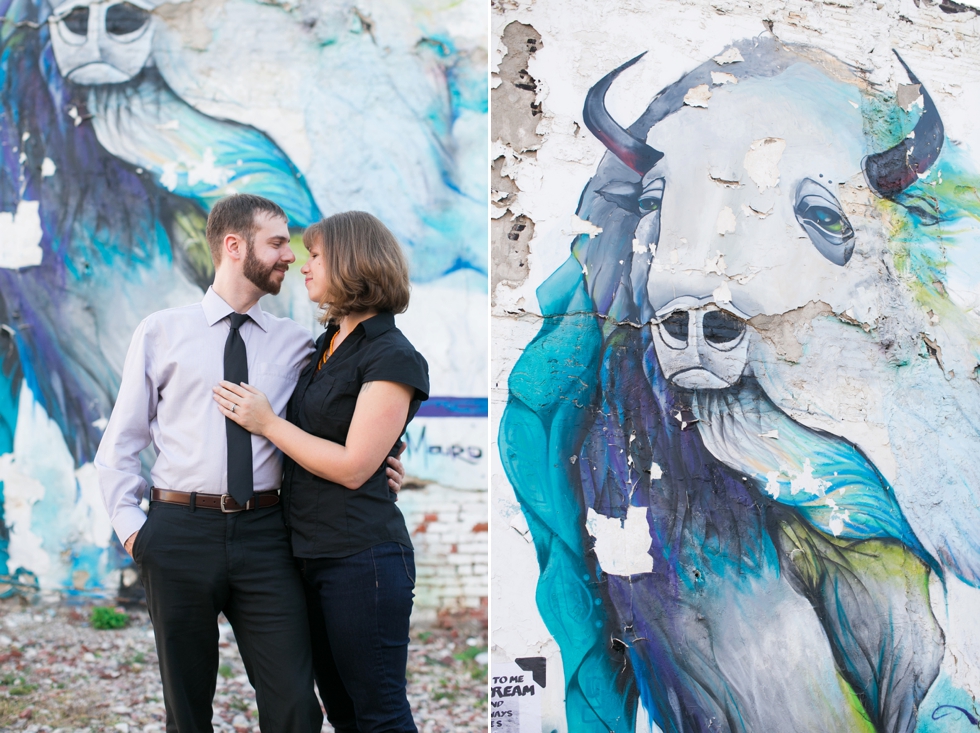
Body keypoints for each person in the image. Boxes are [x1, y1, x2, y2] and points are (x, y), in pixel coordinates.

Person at [95, 194, 405, 733]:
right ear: (235, 246)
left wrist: (390, 459)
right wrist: (134, 533)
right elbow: (121, 441)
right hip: (177, 532)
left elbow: (347, 411)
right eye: (279, 243)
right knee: (187, 710)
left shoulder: (299, 345)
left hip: (267, 535)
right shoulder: (161, 331)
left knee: (295, 705)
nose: (290, 256)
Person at [213, 211, 429, 733]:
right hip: (308, 554)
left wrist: (265, 423)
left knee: (379, 714)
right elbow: (341, 441)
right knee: (342, 711)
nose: (304, 267)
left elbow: (354, 467)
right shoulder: (325, 347)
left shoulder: (392, 355)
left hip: (362, 559)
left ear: (353, 263)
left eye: (318, 257)